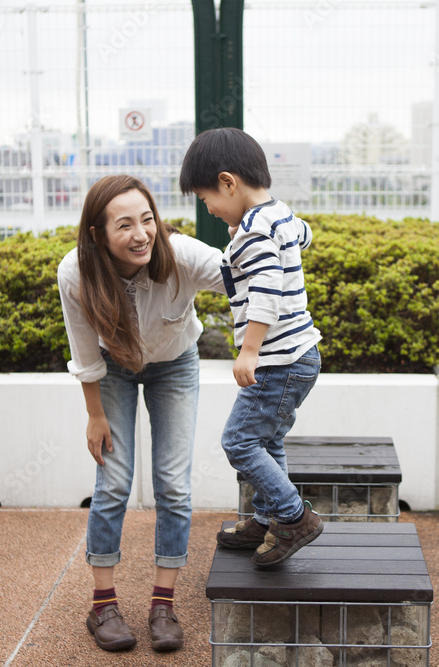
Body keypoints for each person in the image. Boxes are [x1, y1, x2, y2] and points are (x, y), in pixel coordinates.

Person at [57, 174, 224, 653]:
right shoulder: (76, 273)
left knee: (173, 481)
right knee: (114, 481)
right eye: (125, 225)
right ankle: (102, 604)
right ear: (98, 234)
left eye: (147, 219)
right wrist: (94, 416)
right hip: (113, 369)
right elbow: (84, 352)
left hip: (175, 365)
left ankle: (162, 603)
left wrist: (273, 230)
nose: (141, 234)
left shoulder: (182, 255)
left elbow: (243, 273)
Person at [179, 127, 324, 568]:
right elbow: (305, 235)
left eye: (208, 200)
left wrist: (249, 351)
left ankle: (293, 517)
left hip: (278, 359)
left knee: (239, 443)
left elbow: (266, 291)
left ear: (229, 182)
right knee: (268, 440)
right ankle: (265, 518)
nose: (210, 209)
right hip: (299, 356)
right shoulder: (279, 216)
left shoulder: (253, 231)